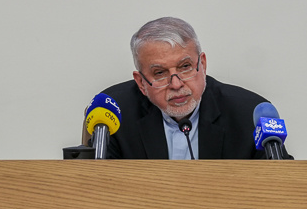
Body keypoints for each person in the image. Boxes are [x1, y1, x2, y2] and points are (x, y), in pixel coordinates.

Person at [99, 16, 289, 159]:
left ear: (202, 65)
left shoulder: (248, 115)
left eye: (185, 67)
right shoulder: (113, 114)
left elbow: (282, 184)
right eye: (160, 73)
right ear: (141, 82)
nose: (176, 84)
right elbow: (96, 187)